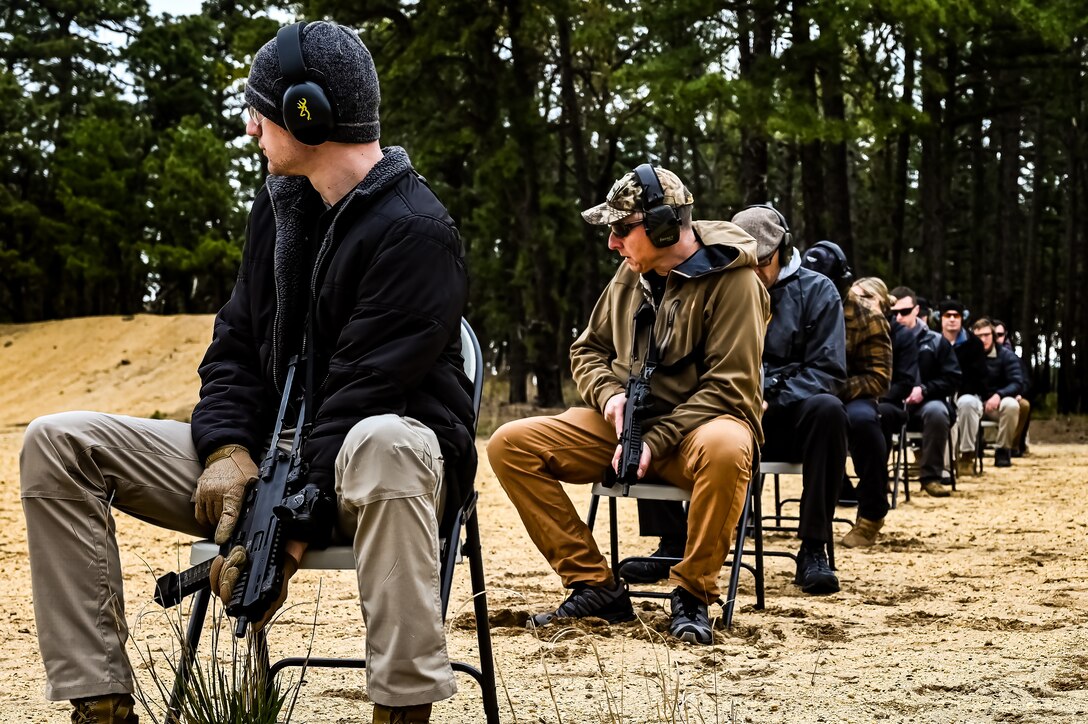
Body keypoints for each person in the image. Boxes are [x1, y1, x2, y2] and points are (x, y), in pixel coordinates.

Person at [19, 21, 473, 724]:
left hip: (373, 474)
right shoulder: (280, 208)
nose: (252, 127)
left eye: (261, 109)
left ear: (308, 114)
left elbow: (360, 396)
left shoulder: (419, 231)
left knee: (389, 440)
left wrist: (283, 540)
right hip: (269, 461)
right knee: (57, 441)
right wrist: (228, 448)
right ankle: (101, 704)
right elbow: (233, 345)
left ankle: (403, 707)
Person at [487, 165, 768, 645]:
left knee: (727, 446)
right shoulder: (630, 274)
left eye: (621, 229)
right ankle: (594, 583)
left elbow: (729, 388)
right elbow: (587, 350)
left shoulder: (735, 283)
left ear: (662, 226)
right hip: (625, 431)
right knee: (510, 444)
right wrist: (611, 396)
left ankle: (692, 594)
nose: (613, 243)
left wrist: (653, 442)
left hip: (697, 437)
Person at [732, 208, 848, 593]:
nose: (754, 271)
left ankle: (814, 547)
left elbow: (828, 371)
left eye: (762, 261)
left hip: (788, 420)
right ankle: (672, 542)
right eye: (744, 261)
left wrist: (770, 395)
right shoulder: (721, 289)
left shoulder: (818, 290)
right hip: (730, 415)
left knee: (829, 410)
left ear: (783, 249)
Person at [837, 277, 897, 547]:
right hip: (804, 389)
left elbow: (880, 378)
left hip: (855, 392)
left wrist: (835, 389)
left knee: (864, 421)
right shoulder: (794, 302)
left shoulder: (870, 320)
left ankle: (872, 513)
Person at [888, 287, 961, 498]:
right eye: (894, 313)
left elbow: (953, 378)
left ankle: (931, 477)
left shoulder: (937, 341)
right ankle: (877, 478)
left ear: (917, 310)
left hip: (927, 403)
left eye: (905, 311)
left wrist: (925, 389)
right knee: (874, 412)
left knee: (937, 412)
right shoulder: (884, 339)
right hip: (893, 401)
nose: (899, 317)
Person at [940, 299, 988, 478]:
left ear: (962, 318)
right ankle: (945, 462)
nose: (952, 319)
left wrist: (959, 391)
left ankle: (967, 456)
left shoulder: (974, 344)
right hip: (942, 393)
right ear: (940, 318)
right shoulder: (933, 340)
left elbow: (980, 376)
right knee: (941, 408)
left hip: (968, 394)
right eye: (948, 315)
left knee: (966, 404)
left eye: (956, 315)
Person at [969, 317, 1025, 467]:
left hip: (997, 402)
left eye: (986, 335)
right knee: (964, 403)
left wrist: (999, 395)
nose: (983, 339)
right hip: (974, 401)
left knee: (1012, 405)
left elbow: (1017, 382)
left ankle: (1003, 450)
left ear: (993, 336)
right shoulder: (967, 355)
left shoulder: (1006, 355)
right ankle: (967, 453)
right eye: (978, 336)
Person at [993, 320, 1032, 456]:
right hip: (989, 398)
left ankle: (1013, 446)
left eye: (1000, 334)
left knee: (1024, 405)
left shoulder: (1012, 357)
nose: (997, 338)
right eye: (994, 334)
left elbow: (1023, 381)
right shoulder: (979, 356)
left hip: (1010, 396)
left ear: (1005, 336)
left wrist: (1019, 393)